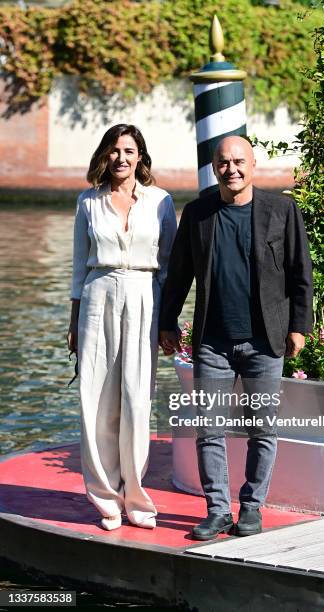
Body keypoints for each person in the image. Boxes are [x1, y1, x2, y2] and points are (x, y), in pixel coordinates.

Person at [159, 135, 312, 540]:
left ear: (253, 163)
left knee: (262, 429)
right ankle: (217, 510)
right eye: (224, 163)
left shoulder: (281, 210)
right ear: (214, 168)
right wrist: (167, 322)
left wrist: (299, 325)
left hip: (265, 341)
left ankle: (252, 507)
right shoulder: (198, 214)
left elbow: (301, 273)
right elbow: (178, 275)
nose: (232, 169)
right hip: (212, 342)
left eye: (239, 161)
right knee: (209, 430)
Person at [67, 124, 177, 531]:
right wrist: (74, 321)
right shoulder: (88, 202)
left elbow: (170, 267)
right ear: (104, 155)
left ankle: (135, 496)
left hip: (145, 296)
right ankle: (105, 499)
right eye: (114, 151)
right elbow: (79, 268)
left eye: (129, 151)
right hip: (98, 296)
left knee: (136, 400)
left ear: (141, 157)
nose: (121, 158)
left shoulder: (161, 202)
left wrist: (168, 321)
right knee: (95, 402)